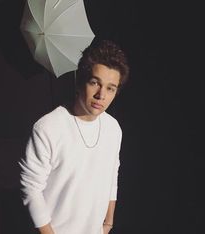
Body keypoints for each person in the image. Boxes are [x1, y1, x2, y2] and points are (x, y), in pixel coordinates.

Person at [19, 39, 129, 234]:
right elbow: (30, 189)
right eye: (95, 82)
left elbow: (112, 175)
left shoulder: (113, 129)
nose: (101, 95)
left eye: (110, 88)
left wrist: (108, 224)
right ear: (80, 81)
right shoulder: (47, 127)